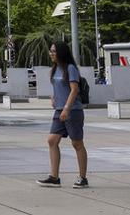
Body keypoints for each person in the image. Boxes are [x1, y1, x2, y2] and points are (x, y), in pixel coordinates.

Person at [37, 41, 87, 188]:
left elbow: (74, 90)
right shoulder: (55, 69)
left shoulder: (70, 68)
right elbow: (59, 88)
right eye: (50, 51)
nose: (51, 53)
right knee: (52, 140)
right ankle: (54, 177)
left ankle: (83, 178)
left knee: (77, 143)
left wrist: (66, 108)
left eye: (54, 51)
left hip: (72, 111)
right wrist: (54, 98)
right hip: (59, 109)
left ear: (61, 52)